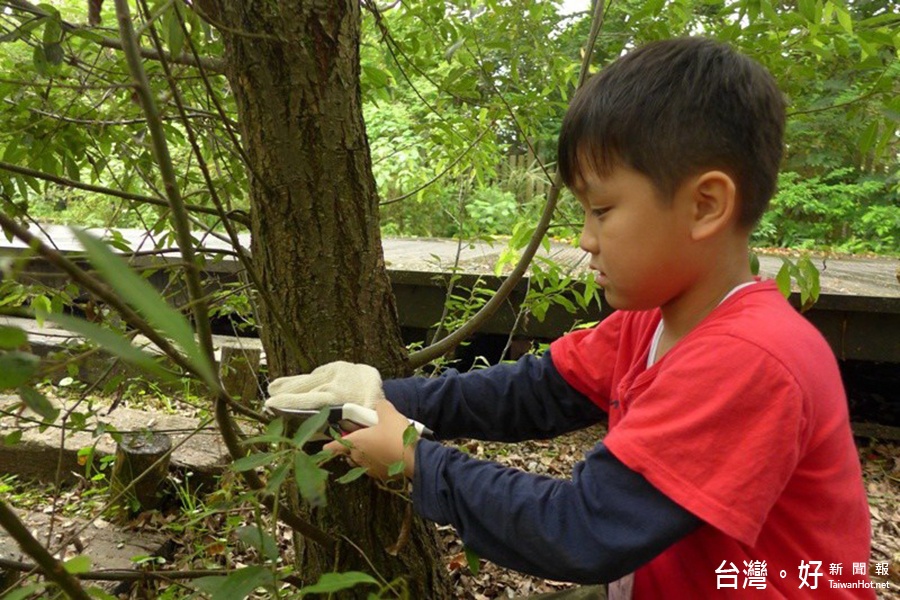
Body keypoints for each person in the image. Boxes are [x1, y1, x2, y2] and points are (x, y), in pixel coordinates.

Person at [267, 37, 874, 598]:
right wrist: (375, 396)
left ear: (705, 205)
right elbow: (535, 392)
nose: (585, 239)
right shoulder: (656, 321)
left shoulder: (749, 358)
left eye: (602, 209)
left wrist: (414, 458)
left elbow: (585, 530)